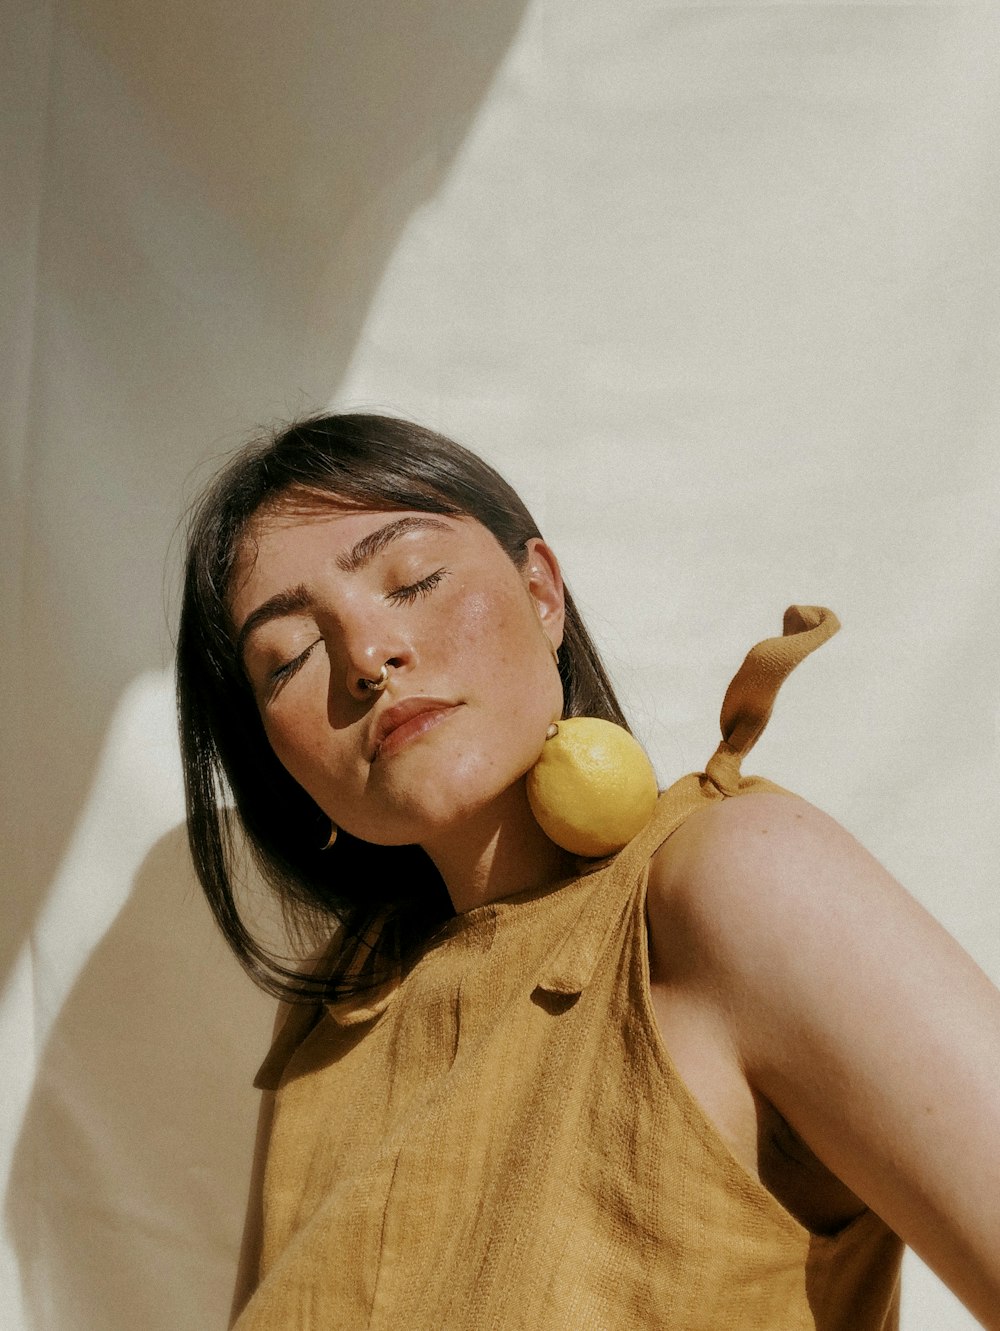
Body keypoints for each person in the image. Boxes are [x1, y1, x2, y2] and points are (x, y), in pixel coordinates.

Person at [176, 412, 1000, 1331]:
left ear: (542, 593)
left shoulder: (732, 882)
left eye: (411, 579)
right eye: (289, 656)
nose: (368, 657)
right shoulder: (332, 1018)